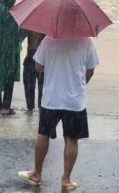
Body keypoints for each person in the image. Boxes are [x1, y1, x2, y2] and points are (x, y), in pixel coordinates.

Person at [18, 35, 99, 190]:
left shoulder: (48, 40)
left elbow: (38, 67)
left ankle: (36, 173)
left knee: (43, 134)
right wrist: (79, 84)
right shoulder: (86, 41)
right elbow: (90, 70)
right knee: (72, 139)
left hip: (51, 99)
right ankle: (66, 180)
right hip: (74, 101)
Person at [23, 31, 45, 112]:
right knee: (41, 84)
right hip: (41, 55)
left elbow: (20, 36)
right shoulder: (46, 27)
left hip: (32, 54)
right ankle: (40, 107)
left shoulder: (29, 26)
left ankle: (31, 107)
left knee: (30, 84)